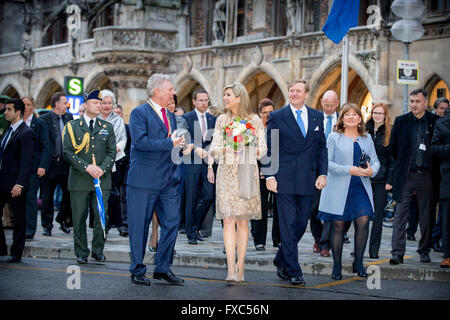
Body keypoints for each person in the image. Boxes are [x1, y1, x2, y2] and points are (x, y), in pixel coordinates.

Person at [264, 79, 327, 286]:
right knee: (288, 225)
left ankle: (281, 257)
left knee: (301, 224)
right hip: (284, 179)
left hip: (308, 179)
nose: (294, 94)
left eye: (298, 91)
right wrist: (270, 175)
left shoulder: (318, 116)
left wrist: (322, 173)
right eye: (291, 91)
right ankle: (293, 270)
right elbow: (270, 148)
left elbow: (321, 149)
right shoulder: (277, 116)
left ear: (306, 94)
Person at [127, 73, 185, 286]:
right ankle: (137, 269)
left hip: (168, 181)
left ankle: (162, 267)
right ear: (157, 91)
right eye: (170, 89)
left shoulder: (169, 116)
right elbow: (140, 142)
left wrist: (180, 147)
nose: (173, 92)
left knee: (172, 223)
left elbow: (169, 143)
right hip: (143, 181)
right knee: (139, 226)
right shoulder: (138, 113)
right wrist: (171, 143)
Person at [209, 82, 267, 283]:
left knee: (243, 221)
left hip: (246, 172)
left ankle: (241, 269)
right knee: (228, 219)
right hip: (226, 173)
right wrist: (227, 148)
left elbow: (264, 149)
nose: (225, 98)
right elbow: (214, 149)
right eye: (224, 95)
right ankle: (230, 269)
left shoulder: (254, 120)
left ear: (239, 97)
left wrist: (247, 148)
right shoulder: (221, 120)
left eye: (228, 95)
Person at [318, 102, 380, 280]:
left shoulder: (367, 138)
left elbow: (375, 161)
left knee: (363, 221)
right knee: (338, 226)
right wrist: (349, 169)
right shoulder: (333, 137)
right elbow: (327, 164)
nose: (351, 117)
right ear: (342, 119)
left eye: (355, 114)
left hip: (361, 186)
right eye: (347, 114)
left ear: (360, 119)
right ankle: (337, 266)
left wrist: (371, 171)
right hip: (339, 186)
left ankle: (358, 262)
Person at [63, 88, 116, 264]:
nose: (99, 105)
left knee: (102, 216)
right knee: (78, 218)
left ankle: (98, 250)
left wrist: (102, 168)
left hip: (102, 179)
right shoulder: (72, 127)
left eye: (101, 103)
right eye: (95, 102)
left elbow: (111, 152)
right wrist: (87, 167)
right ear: (85, 105)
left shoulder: (107, 128)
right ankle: (81, 251)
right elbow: (68, 152)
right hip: (79, 180)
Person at [389, 88, 440, 265]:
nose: (414, 104)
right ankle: (397, 253)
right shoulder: (401, 121)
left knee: (426, 216)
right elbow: (393, 150)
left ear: (425, 103)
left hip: (426, 175)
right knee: (400, 215)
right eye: (411, 101)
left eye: (417, 101)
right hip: (405, 175)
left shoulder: (435, 122)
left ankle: (424, 250)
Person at [0, 98, 36, 262]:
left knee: (19, 220)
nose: (5, 112)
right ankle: (2, 248)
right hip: (2, 182)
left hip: (16, 185)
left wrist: (19, 184)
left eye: (8, 109)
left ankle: (16, 253)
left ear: (18, 112)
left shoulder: (26, 133)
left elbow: (27, 161)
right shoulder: (8, 131)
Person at [183, 89, 216, 245]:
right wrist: (197, 148)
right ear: (194, 102)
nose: (204, 103)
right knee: (191, 198)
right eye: (201, 100)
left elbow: (214, 142)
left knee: (209, 195)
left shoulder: (212, 119)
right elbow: (183, 140)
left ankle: (195, 226)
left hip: (208, 164)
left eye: (206, 100)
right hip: (191, 164)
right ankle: (191, 233)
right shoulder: (186, 118)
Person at [309, 90, 339, 257]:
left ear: (337, 103)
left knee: (331, 208)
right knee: (313, 208)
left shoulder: (342, 120)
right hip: (315, 168)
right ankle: (317, 237)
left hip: (335, 170)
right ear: (321, 102)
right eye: (326, 105)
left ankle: (325, 244)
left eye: (332, 105)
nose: (329, 108)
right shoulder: (314, 117)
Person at [39, 92, 73, 236]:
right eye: (65, 103)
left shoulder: (69, 117)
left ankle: (63, 219)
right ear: (57, 104)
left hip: (65, 164)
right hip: (50, 164)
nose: (67, 105)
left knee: (69, 194)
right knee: (47, 197)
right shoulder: (44, 119)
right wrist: (41, 165)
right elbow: (41, 144)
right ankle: (47, 225)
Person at [366, 102, 393, 259]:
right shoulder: (365, 129)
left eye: (380, 113)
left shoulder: (390, 131)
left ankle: (374, 249)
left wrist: (390, 180)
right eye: (375, 112)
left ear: (385, 115)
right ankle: (359, 246)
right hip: (365, 177)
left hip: (382, 179)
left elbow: (392, 159)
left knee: (377, 217)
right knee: (361, 214)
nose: (377, 115)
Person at [22, 96, 51, 240]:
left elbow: (46, 146)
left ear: (33, 106)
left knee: (30, 198)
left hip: (34, 168)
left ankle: (30, 229)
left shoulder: (39, 123)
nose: (26, 108)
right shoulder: (15, 123)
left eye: (28, 105)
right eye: (24, 105)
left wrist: (42, 165)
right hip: (17, 167)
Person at [99, 89, 127, 234]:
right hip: (95, 162)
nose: (107, 106)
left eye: (110, 103)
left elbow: (123, 138)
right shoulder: (94, 118)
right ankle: (99, 224)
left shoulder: (118, 120)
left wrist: (118, 147)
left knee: (113, 195)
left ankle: (110, 223)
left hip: (113, 161)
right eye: (104, 103)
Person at [250, 98, 277, 251]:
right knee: (260, 206)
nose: (268, 115)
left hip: (276, 170)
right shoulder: (253, 129)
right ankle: (259, 240)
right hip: (257, 171)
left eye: (270, 112)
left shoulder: (277, 128)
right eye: (265, 113)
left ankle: (277, 239)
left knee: (278, 207)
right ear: (259, 113)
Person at [431, 107, 450, 268]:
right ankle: (448, 254)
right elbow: (434, 148)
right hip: (447, 177)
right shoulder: (442, 123)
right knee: (447, 219)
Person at [113, 104, 131, 237]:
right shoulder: (104, 128)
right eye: (115, 113)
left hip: (123, 167)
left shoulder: (127, 129)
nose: (117, 115)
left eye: (119, 112)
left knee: (122, 196)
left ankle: (123, 224)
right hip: (107, 168)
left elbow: (130, 148)